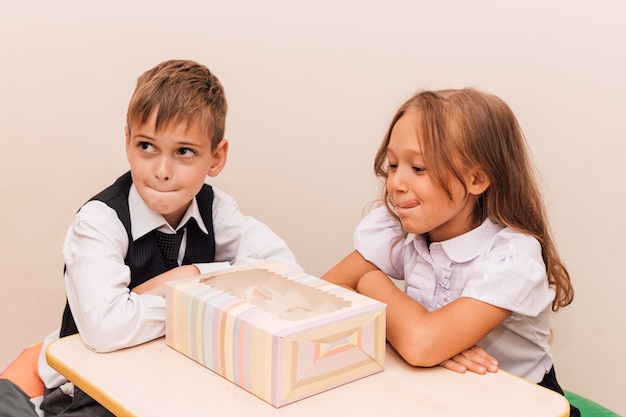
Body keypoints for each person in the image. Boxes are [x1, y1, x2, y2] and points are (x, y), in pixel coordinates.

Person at [37, 59, 300, 416]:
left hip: (163, 378)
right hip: (85, 389)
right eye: (147, 146)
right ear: (128, 141)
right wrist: (208, 294)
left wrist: (188, 277)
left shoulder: (217, 210)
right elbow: (107, 329)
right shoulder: (100, 221)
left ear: (216, 157)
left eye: (184, 152)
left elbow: (284, 272)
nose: (162, 171)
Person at [322, 88, 579, 416]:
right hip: (443, 390)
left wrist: (370, 283)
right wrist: (426, 338)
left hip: (518, 403)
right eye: (393, 164)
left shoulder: (512, 259)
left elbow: (421, 344)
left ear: (476, 178)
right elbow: (326, 295)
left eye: (418, 168)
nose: (396, 183)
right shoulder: (399, 230)